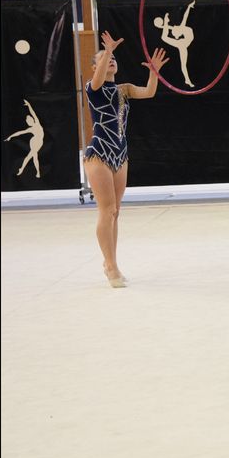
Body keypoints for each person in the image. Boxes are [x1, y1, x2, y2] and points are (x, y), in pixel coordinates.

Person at [83, 31, 168, 288]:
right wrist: (107, 50)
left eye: (113, 58)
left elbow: (149, 92)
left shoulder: (124, 89)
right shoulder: (93, 87)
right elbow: (98, 80)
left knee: (116, 212)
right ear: (95, 67)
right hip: (99, 152)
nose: (110, 60)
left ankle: (112, 261)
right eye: (104, 58)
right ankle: (111, 266)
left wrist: (154, 72)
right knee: (107, 210)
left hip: (120, 153)